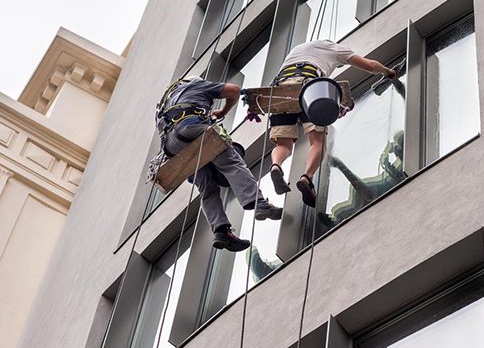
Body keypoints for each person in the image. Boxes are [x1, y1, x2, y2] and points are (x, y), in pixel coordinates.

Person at [155, 77, 282, 252]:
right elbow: (234, 90)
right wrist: (222, 111)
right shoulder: (197, 85)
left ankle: (222, 232)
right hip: (192, 128)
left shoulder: (164, 104)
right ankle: (259, 203)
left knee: (206, 186)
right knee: (231, 163)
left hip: (174, 147)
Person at [268, 39, 396, 207]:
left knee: (283, 145)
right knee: (318, 142)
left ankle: (276, 166)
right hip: (308, 88)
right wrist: (388, 72)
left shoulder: (299, 49)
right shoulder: (336, 48)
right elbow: (371, 65)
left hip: (279, 91)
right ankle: (306, 177)